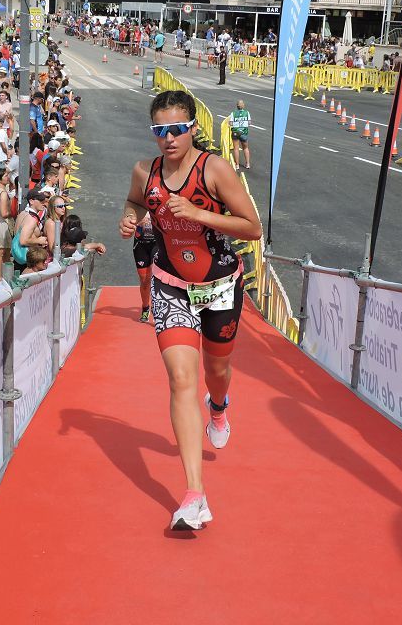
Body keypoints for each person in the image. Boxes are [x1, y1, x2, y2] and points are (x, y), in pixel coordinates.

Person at [118, 90, 262, 531]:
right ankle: (194, 495)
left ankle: (218, 406)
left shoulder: (214, 169)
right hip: (170, 285)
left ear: (193, 129)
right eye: (159, 131)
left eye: (177, 129)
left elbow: (252, 228)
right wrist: (129, 218)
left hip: (219, 286)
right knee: (181, 377)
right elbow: (136, 203)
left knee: (216, 371)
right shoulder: (146, 172)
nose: (169, 138)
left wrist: (200, 214)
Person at [132, 214, 156, 323]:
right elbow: (127, 223)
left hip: (157, 243)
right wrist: (136, 223)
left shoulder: (160, 201)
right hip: (140, 244)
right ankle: (146, 307)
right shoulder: (138, 204)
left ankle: (158, 308)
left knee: (157, 276)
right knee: (144, 280)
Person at [229, 100, 251, 170]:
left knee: (236, 149)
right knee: (245, 148)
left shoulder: (233, 113)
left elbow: (231, 123)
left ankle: (237, 165)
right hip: (244, 132)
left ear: (237, 106)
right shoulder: (247, 113)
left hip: (235, 132)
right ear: (243, 105)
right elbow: (249, 123)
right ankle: (247, 164)